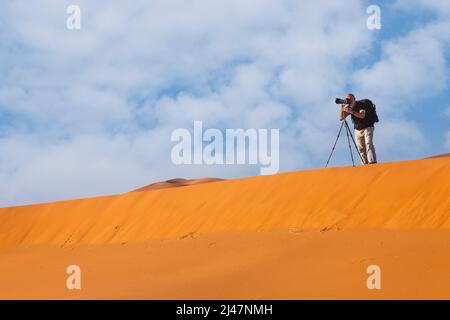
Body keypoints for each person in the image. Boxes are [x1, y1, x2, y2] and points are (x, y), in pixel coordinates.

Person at [339, 93, 377, 164]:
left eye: (350, 99)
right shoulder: (349, 107)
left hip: (368, 127)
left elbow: (362, 115)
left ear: (354, 99)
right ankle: (364, 164)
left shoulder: (361, 104)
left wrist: (351, 111)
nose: (349, 101)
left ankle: (372, 162)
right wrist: (342, 108)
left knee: (368, 143)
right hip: (358, 129)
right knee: (361, 148)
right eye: (347, 99)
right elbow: (341, 118)